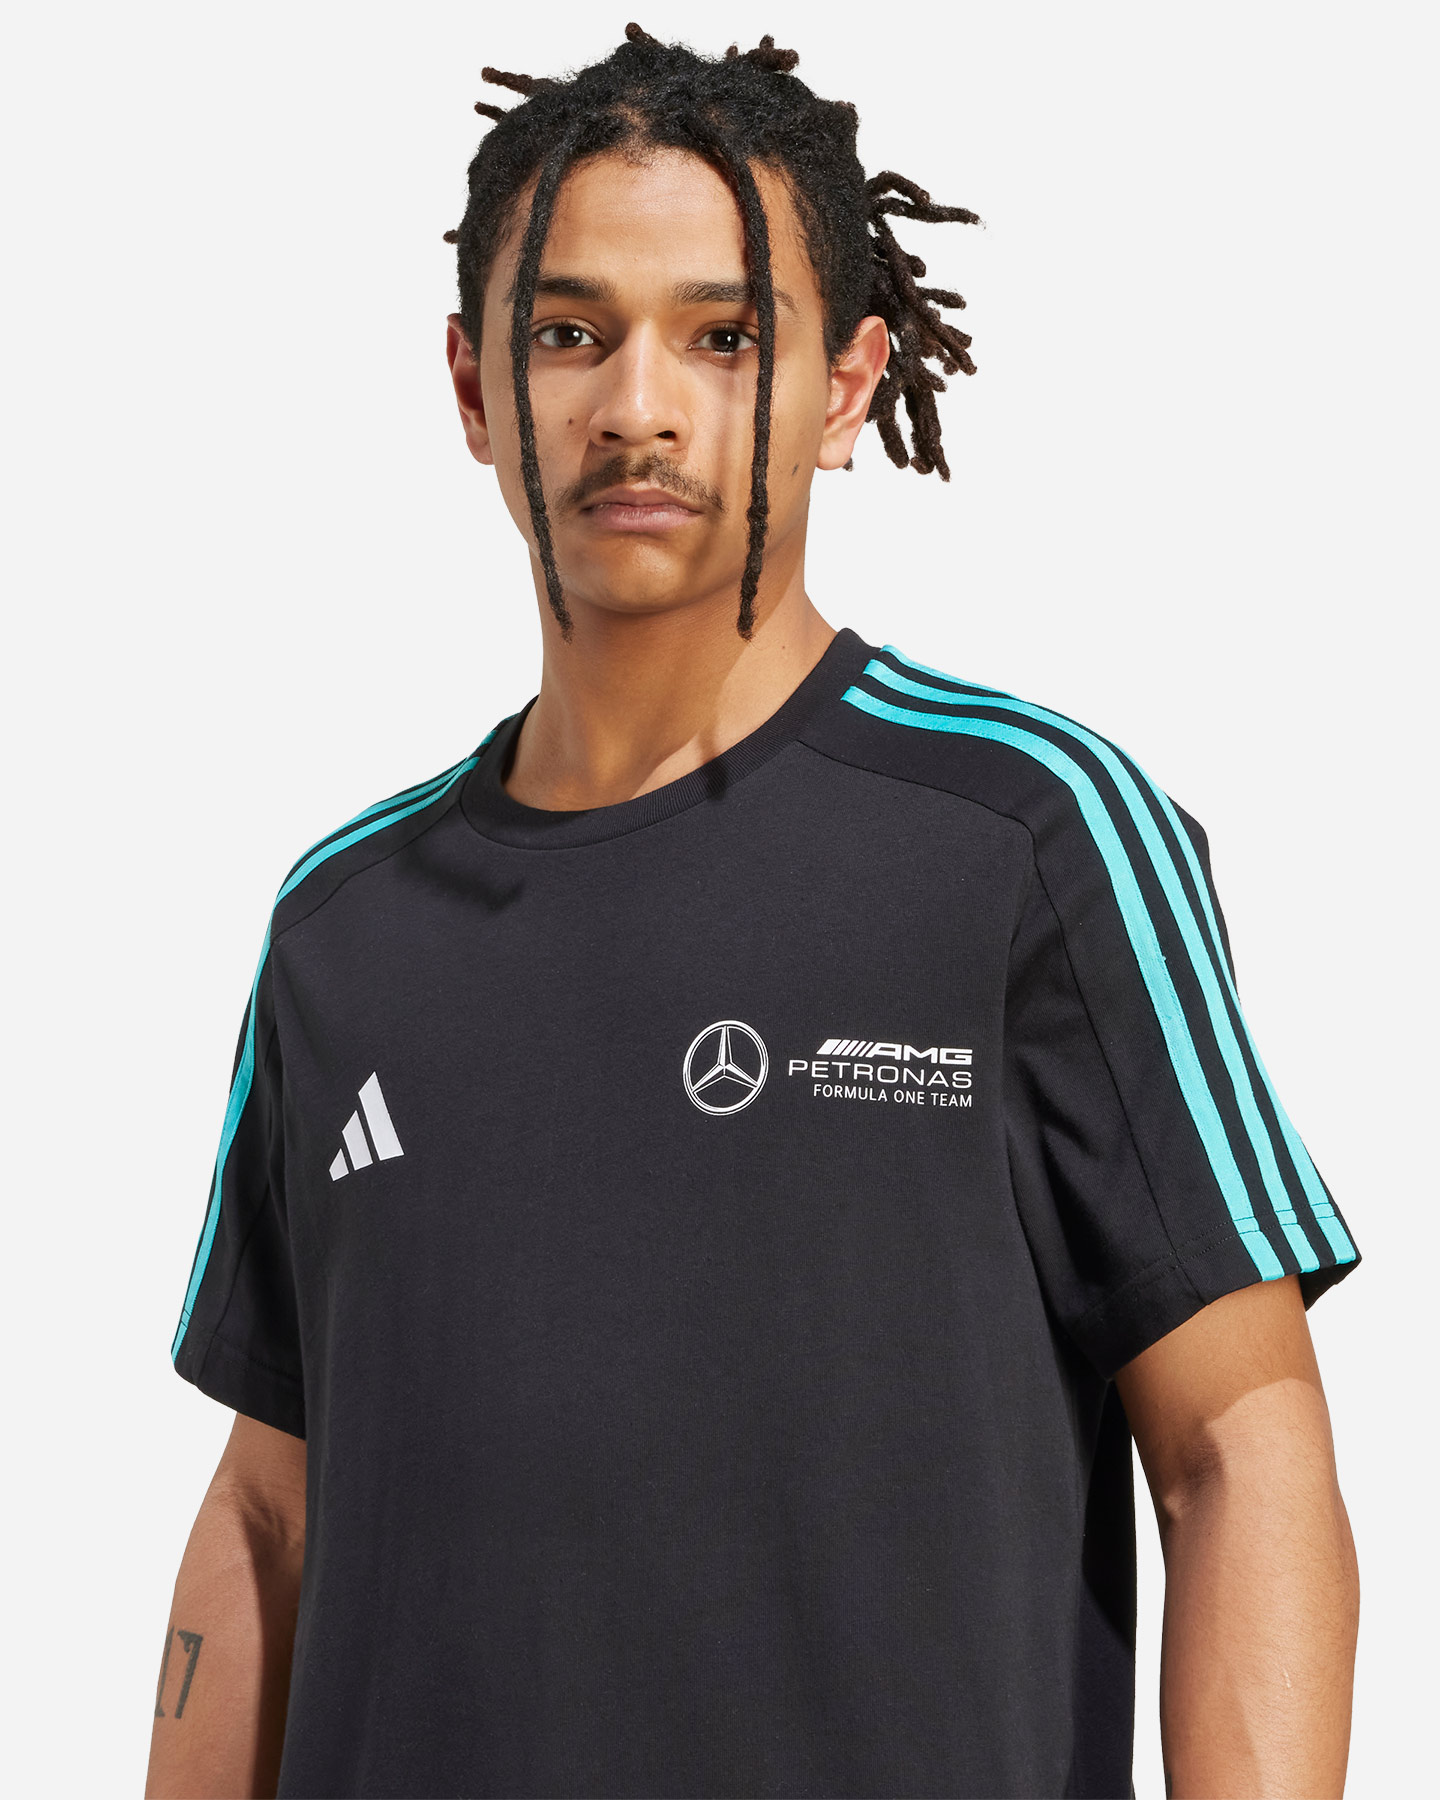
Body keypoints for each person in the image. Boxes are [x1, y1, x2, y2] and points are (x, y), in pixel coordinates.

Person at [145, 25, 1361, 1800]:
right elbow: (268, 1514)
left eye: (725, 337)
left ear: (847, 389)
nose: (639, 405)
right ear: (476, 387)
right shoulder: (342, 928)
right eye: (569, 333)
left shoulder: (1034, 836)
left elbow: (1239, 1451)